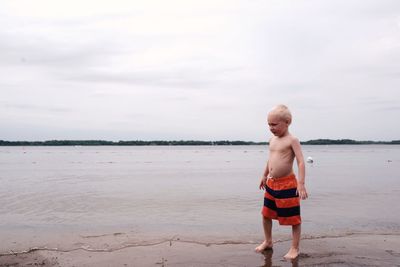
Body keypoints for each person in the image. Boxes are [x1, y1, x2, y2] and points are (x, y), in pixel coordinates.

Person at [255, 104, 308, 260]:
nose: (271, 128)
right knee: (266, 214)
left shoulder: (292, 140)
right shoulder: (272, 140)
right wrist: (264, 175)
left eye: (274, 124)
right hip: (271, 184)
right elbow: (270, 160)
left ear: (287, 122)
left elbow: (300, 162)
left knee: (293, 218)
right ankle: (268, 241)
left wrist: (301, 183)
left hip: (287, 185)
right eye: (269, 124)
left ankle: (294, 248)